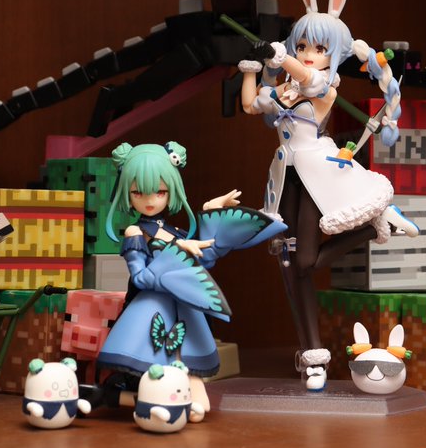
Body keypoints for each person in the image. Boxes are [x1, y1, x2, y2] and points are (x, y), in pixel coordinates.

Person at [239, 0, 419, 389]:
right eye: (301, 45)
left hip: (317, 174)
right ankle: (313, 356)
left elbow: (307, 78)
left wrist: (279, 56)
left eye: (318, 48)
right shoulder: (285, 89)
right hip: (284, 176)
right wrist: (250, 68)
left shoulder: (324, 85)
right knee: (291, 266)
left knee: (304, 261)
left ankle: (373, 225)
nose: (308, 54)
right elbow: (250, 106)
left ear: (333, 54)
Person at [95, 141, 285, 409]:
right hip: (151, 308)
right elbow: (140, 278)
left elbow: (206, 256)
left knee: (188, 367)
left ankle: (186, 400)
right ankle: (137, 399)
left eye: (160, 192)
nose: (150, 201)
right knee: (157, 366)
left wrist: (211, 212)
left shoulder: (174, 232)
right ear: (127, 193)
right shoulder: (135, 232)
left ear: (171, 190)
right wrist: (176, 251)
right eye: (138, 192)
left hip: (182, 309)